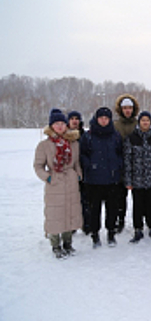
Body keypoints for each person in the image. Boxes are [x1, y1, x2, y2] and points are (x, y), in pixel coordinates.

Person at [34, 109, 83, 259]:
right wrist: (48, 178)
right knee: (55, 214)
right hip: (55, 183)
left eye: (62, 123)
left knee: (69, 213)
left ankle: (68, 243)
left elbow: (76, 163)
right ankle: (56, 245)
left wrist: (79, 175)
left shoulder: (73, 143)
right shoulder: (44, 145)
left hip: (71, 182)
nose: (60, 126)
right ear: (51, 126)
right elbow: (38, 166)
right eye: (57, 124)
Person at [80, 107, 123, 248]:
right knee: (94, 210)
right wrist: (89, 165)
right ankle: (95, 235)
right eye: (101, 118)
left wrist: (118, 166)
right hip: (93, 180)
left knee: (112, 209)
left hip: (112, 179)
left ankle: (111, 233)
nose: (103, 121)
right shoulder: (88, 136)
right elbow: (83, 154)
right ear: (96, 119)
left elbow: (121, 153)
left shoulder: (115, 135)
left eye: (106, 118)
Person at [124, 111, 151, 243]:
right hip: (137, 179)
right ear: (139, 122)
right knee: (137, 204)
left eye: (147, 120)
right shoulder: (132, 138)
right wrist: (128, 180)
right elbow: (127, 159)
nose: (145, 123)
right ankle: (138, 229)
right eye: (143, 120)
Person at [114, 94, 140, 233]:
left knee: (138, 196)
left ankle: (139, 222)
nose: (127, 110)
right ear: (121, 109)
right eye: (125, 108)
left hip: (137, 165)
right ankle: (120, 220)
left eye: (130, 108)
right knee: (120, 196)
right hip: (120, 165)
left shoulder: (138, 124)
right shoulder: (115, 125)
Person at [68, 111, 90, 234]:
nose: (74, 121)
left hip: (84, 173)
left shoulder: (85, 136)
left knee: (85, 200)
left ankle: (86, 225)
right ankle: (72, 226)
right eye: (72, 119)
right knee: (71, 201)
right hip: (68, 173)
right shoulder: (63, 136)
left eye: (77, 118)